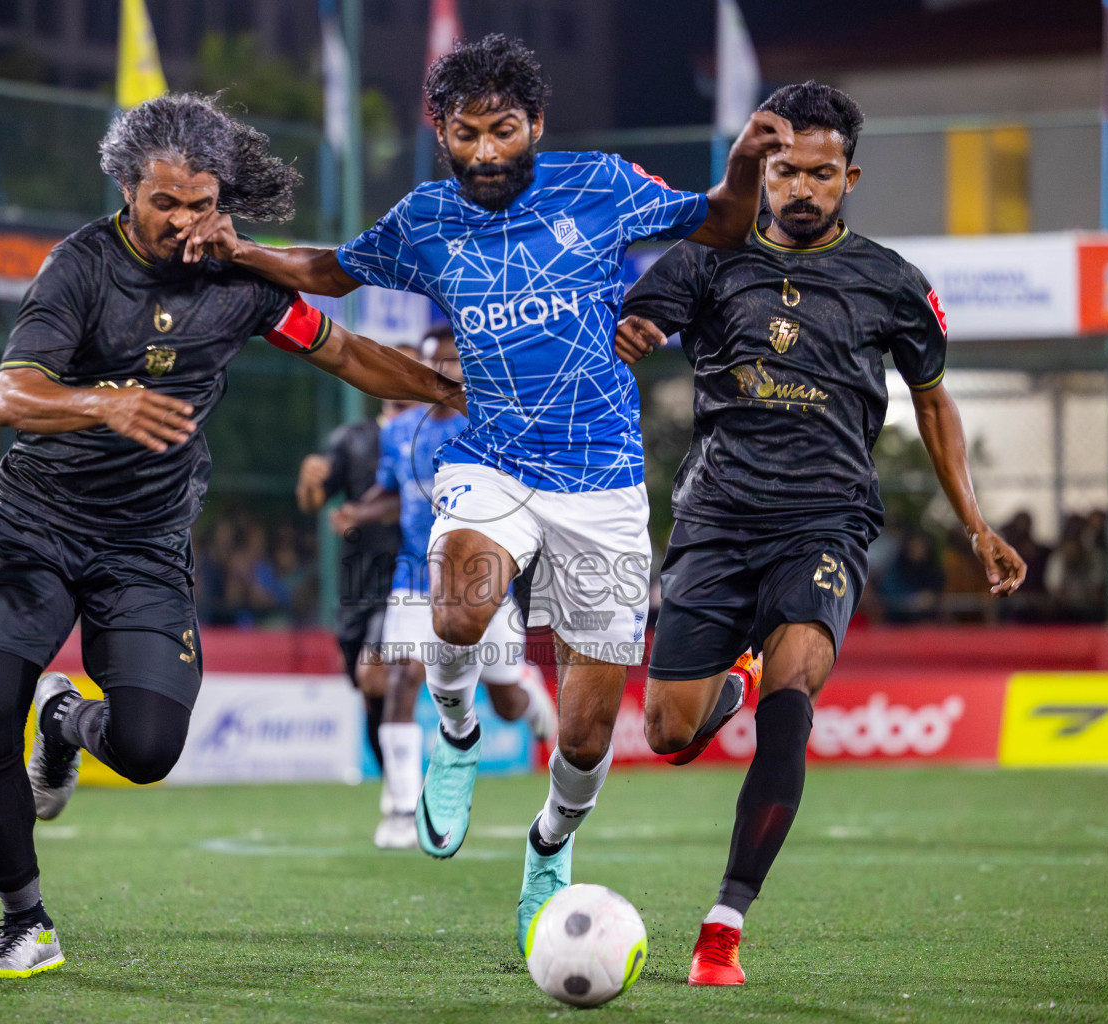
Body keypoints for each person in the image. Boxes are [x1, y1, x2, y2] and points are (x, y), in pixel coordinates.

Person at [183, 32, 792, 948]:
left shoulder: (596, 183)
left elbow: (719, 225)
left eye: (503, 130)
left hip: (604, 483)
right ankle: (457, 732)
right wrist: (244, 249)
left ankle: (550, 842)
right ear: (440, 131)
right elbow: (331, 272)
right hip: (491, 458)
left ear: (535, 125)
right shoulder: (426, 217)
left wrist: (743, 164)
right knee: (459, 613)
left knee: (586, 738)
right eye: (465, 134)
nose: (485, 152)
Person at [0, 93, 464, 981]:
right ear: (125, 186)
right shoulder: (77, 267)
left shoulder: (242, 285)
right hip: (32, 532)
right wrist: (103, 402)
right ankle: (24, 920)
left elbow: (342, 352)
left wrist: (446, 389)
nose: (186, 222)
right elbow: (11, 396)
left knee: (149, 750)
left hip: (145, 548)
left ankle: (67, 721)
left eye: (203, 203)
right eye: (166, 203)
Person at [615, 81, 1027, 986]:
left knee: (791, 705)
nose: (802, 188)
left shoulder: (892, 283)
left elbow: (932, 400)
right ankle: (732, 676)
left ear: (851, 176)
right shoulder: (704, 261)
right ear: (761, 169)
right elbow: (635, 326)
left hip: (826, 522)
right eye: (785, 170)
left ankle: (723, 926)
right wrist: (637, 330)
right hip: (716, 520)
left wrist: (975, 523)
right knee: (668, 735)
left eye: (822, 174)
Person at [331, 324, 558, 849]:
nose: (446, 370)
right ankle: (399, 807)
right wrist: (358, 511)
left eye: (456, 361)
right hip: (414, 576)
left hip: (484, 582)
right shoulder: (399, 430)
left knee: (502, 702)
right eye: (437, 360)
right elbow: (397, 494)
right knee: (402, 678)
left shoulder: (490, 426)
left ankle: (528, 696)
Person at [295, 346, 412, 788]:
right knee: (367, 688)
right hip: (357, 582)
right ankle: (397, 782)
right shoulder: (354, 439)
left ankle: (402, 792)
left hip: (408, 578)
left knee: (376, 674)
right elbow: (314, 502)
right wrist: (309, 484)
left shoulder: (430, 435)